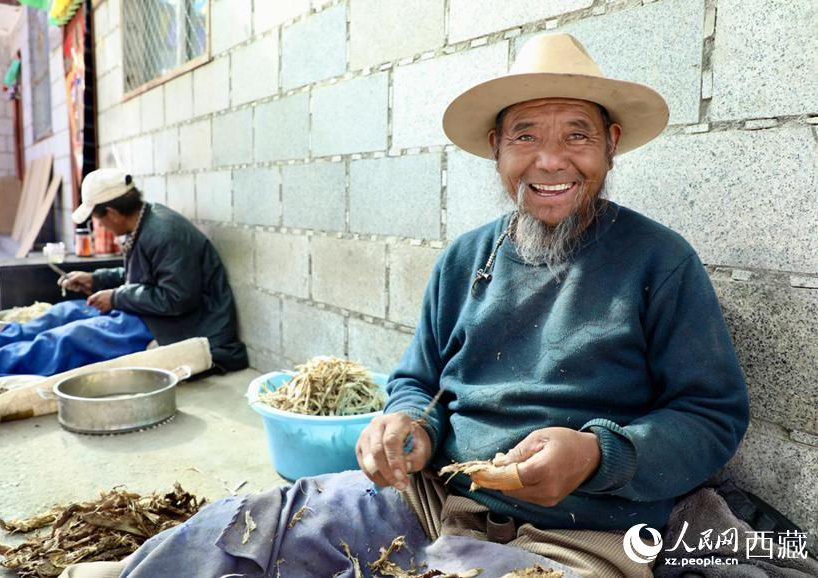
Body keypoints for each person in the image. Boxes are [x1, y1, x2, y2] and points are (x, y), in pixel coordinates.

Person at [57, 34, 749, 578]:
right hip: (436, 497)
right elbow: (418, 377)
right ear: (495, 150)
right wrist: (406, 423)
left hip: (584, 531)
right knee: (253, 526)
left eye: (576, 134)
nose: (550, 161)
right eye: (525, 136)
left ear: (610, 146)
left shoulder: (659, 262)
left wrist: (599, 454)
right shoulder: (465, 259)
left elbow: (710, 415)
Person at [62, 168, 249, 371]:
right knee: (66, 313)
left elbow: (177, 298)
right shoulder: (146, 222)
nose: (102, 226)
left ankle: (21, 366)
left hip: (183, 328)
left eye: (99, 221)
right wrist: (95, 279)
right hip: (155, 317)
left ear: (112, 213)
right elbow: (145, 275)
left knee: (72, 338)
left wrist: (116, 298)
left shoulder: (164, 233)